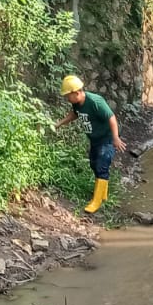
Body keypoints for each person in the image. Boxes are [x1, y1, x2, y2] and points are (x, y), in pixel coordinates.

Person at [56, 74, 127, 215]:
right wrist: (59, 124)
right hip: (94, 139)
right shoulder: (77, 103)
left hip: (106, 139)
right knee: (94, 164)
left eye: (67, 96)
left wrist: (115, 138)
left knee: (101, 164)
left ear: (76, 93)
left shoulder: (95, 101)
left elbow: (111, 117)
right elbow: (74, 114)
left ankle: (97, 201)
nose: (67, 99)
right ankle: (103, 193)